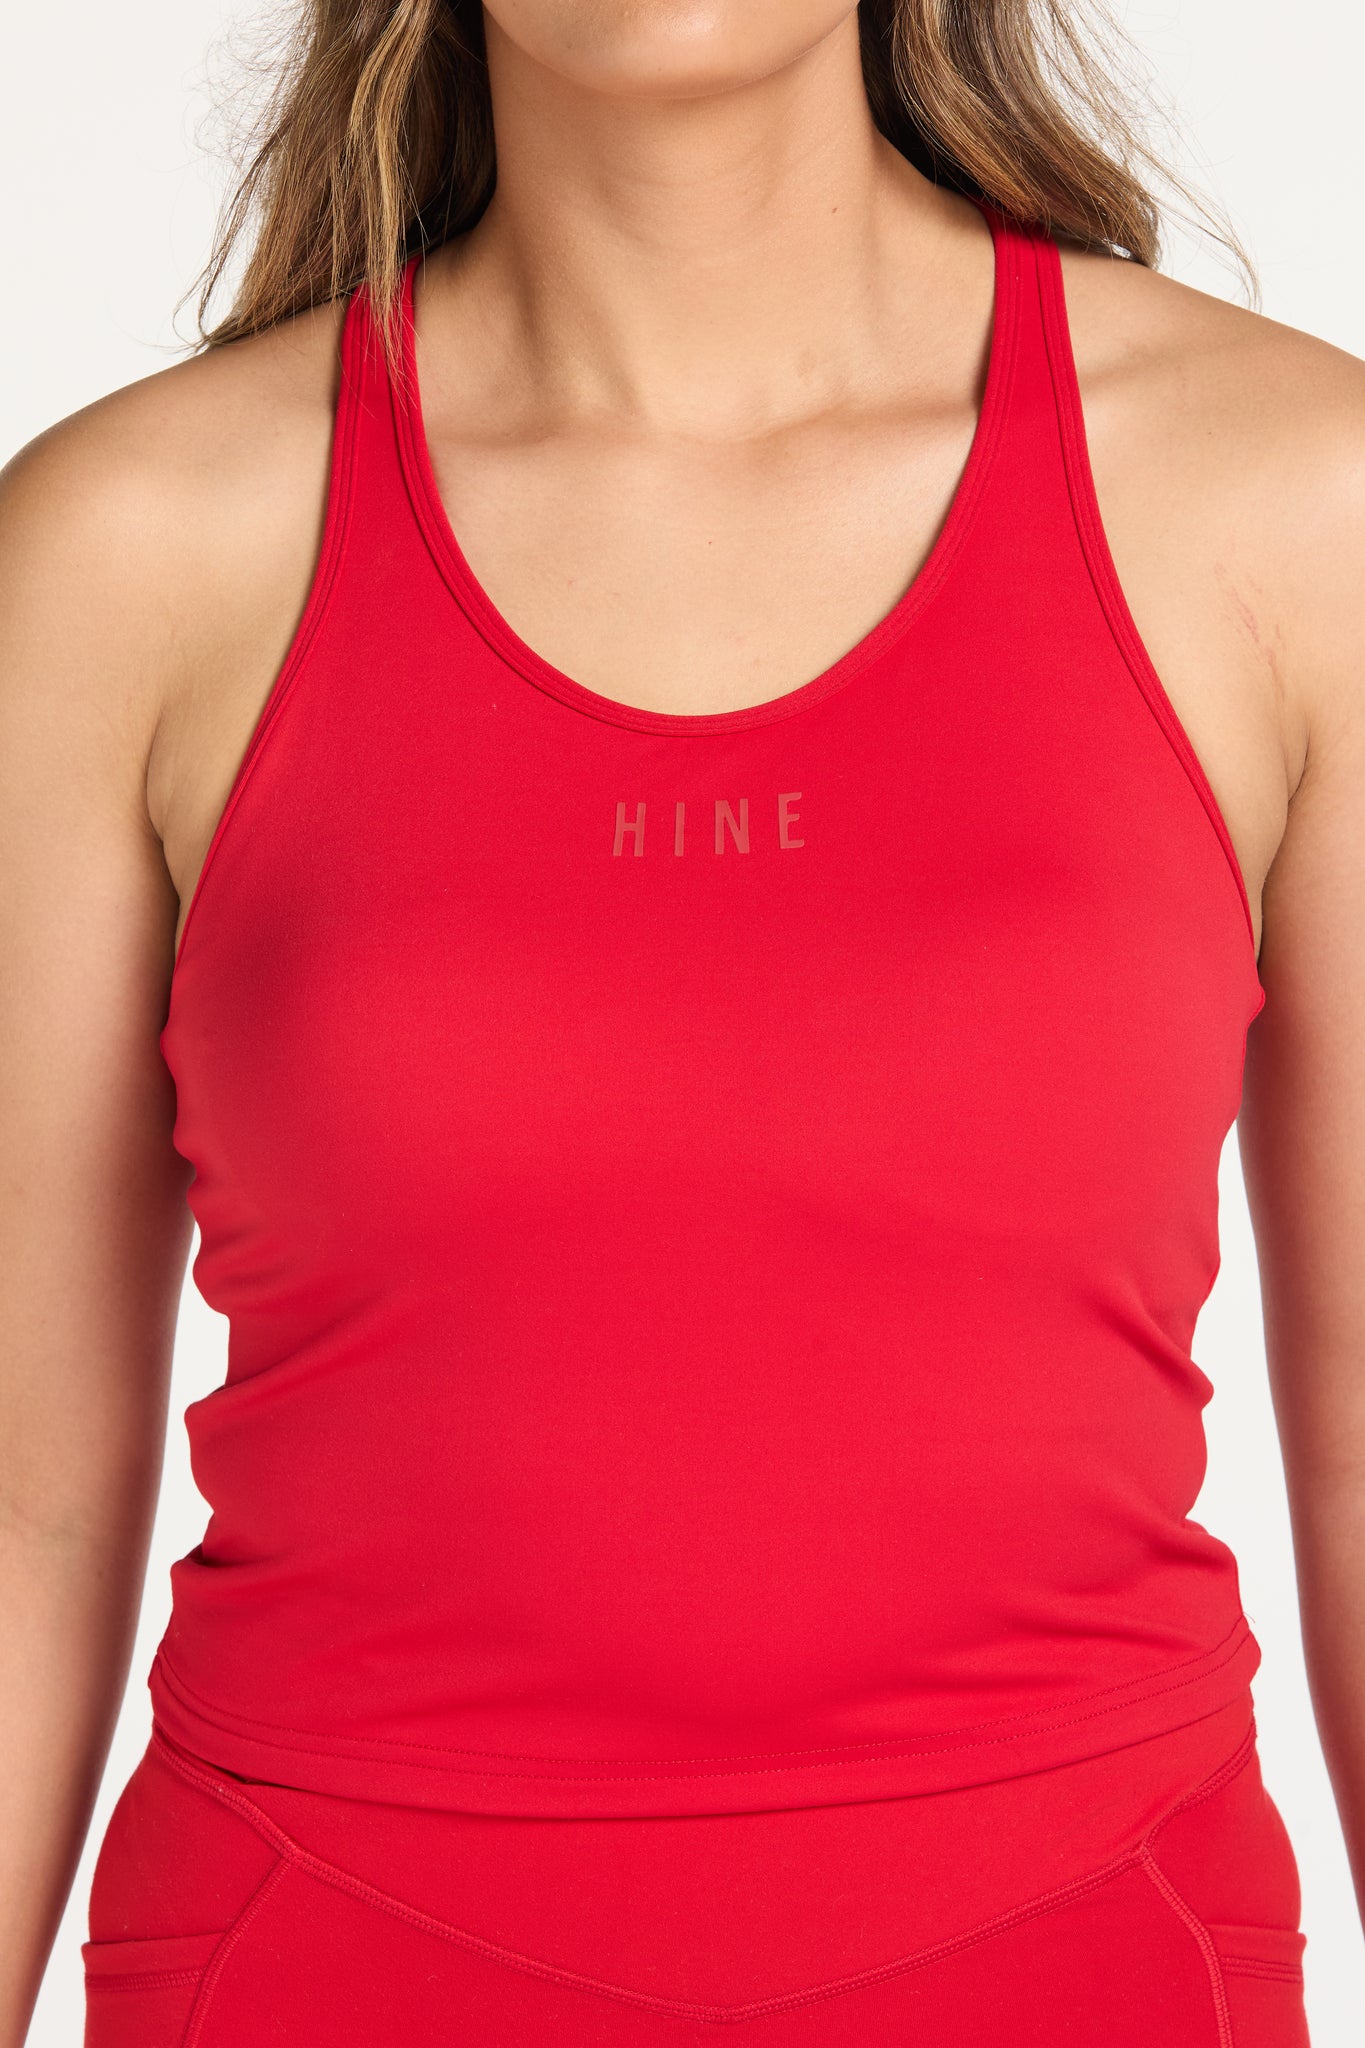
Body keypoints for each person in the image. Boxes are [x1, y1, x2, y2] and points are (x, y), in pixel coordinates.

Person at [2, 2, 1361, 2042]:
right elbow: (22, 1506)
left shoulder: (1288, 502)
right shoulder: (130, 547)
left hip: (1088, 1955)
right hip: (319, 1960)